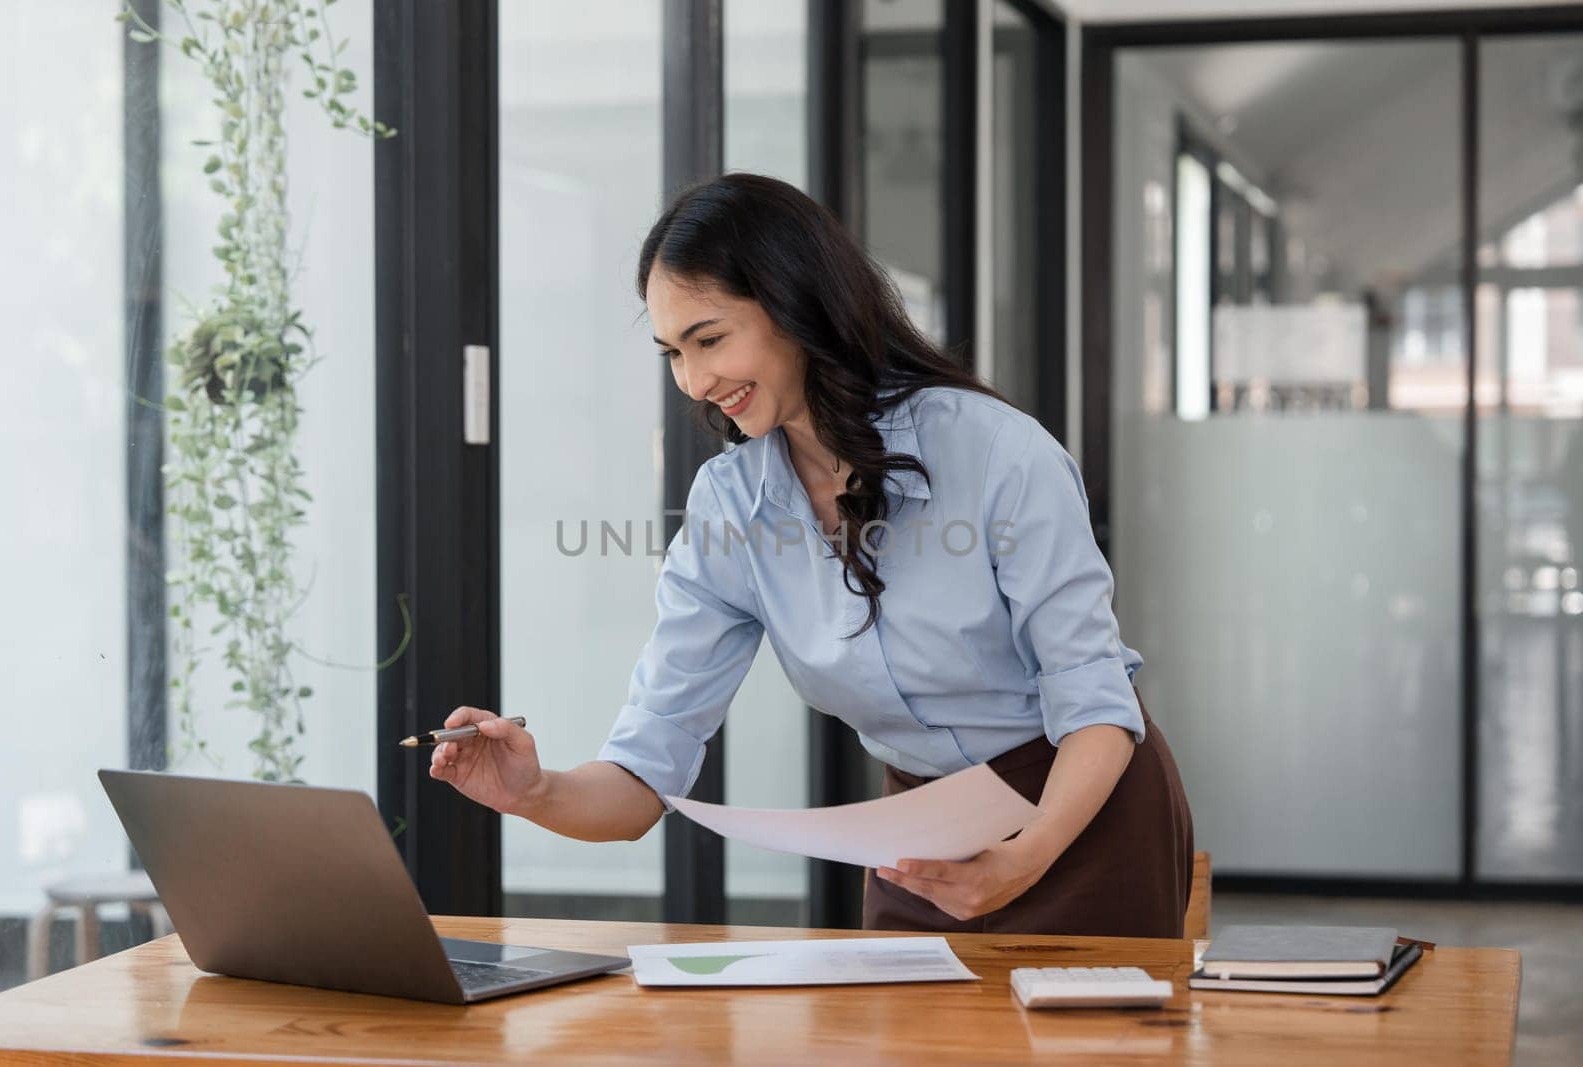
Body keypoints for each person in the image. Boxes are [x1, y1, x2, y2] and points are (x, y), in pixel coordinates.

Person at [431, 173, 1193, 936]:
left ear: (795, 305)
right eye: (673, 353)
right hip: (923, 840)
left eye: (710, 338)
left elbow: (1095, 698)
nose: (695, 381)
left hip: (1079, 819)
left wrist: (1027, 857)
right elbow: (647, 765)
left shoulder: (995, 452)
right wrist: (533, 790)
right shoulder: (729, 505)